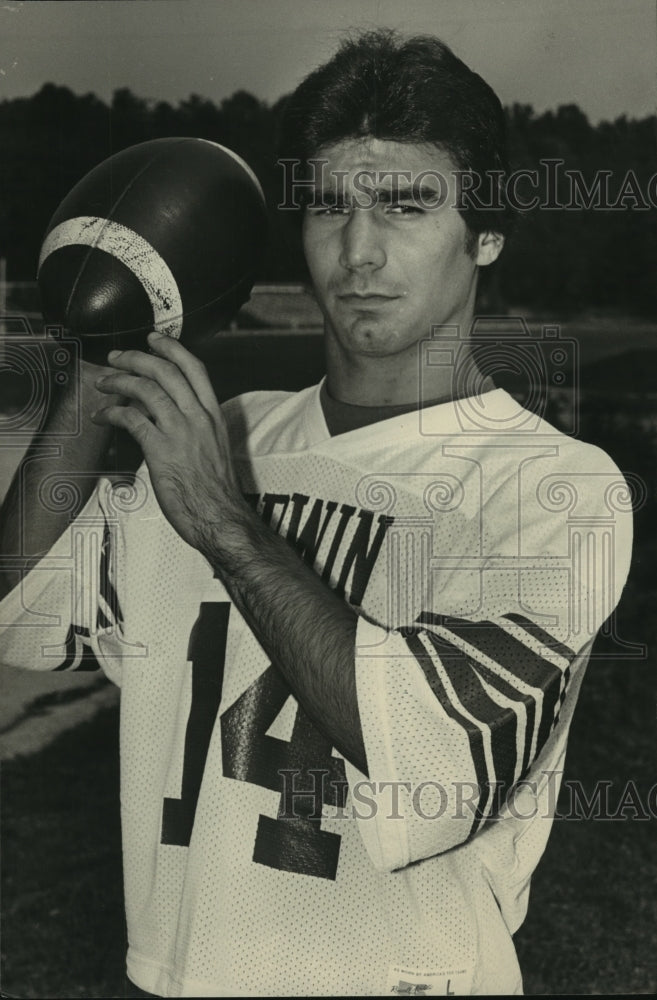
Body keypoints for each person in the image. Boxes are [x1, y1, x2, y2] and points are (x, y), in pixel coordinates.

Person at [0, 29, 632, 997]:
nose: (360, 250)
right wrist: (97, 360)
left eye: (407, 206)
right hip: (181, 970)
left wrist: (222, 520)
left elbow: (431, 753)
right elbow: (25, 610)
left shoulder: (552, 487)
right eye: (331, 207)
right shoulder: (231, 434)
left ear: (487, 233)